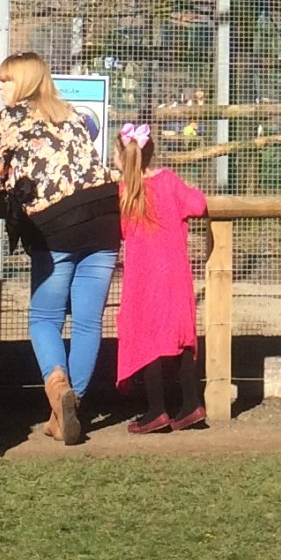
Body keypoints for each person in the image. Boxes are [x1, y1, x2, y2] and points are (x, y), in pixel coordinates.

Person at [0, 53, 119, 446]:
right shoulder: (73, 114)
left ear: (24, 84)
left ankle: (57, 385)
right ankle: (67, 408)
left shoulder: (10, 119)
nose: (0, 88)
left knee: (44, 318)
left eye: (6, 81)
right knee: (88, 321)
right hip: (104, 216)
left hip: (56, 225)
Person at [112, 123, 209, 433]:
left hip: (143, 280)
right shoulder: (168, 181)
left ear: (121, 156)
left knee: (147, 338)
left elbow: (121, 231)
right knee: (179, 338)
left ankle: (156, 409)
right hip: (175, 275)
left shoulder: (125, 193)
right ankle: (192, 403)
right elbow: (199, 204)